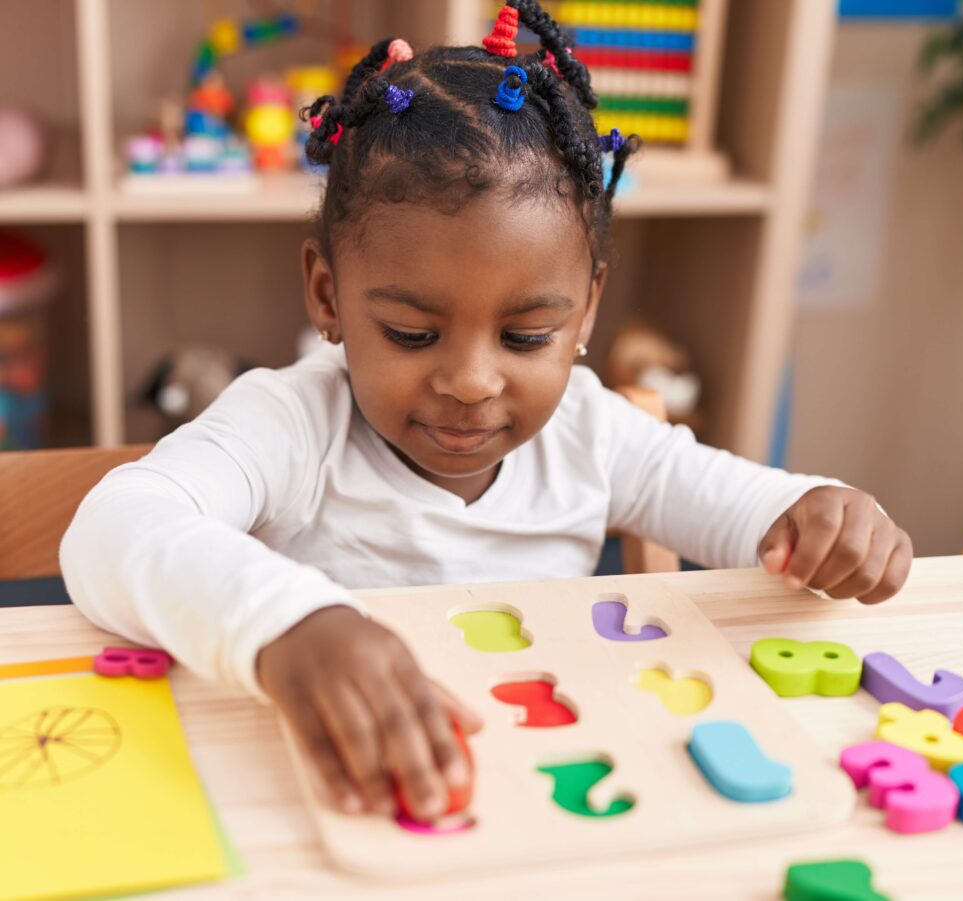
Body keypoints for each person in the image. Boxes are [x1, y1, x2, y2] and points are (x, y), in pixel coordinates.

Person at [61, 1, 913, 826]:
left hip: (558, 797)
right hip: (356, 801)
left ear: (584, 313)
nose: (471, 380)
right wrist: (287, 627)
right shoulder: (291, 423)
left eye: (526, 334)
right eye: (411, 331)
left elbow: (751, 513)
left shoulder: (594, 430)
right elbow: (111, 528)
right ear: (328, 293)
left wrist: (821, 511)